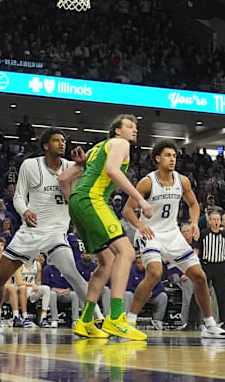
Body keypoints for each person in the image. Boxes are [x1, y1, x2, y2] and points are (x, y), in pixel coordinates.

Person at [0, 128, 105, 334]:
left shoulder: (72, 167)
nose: (62, 143)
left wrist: (84, 165)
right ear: (46, 146)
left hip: (56, 233)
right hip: (31, 232)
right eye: (56, 140)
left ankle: (98, 319)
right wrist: (24, 211)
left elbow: (88, 186)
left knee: (73, 274)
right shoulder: (30, 165)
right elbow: (19, 196)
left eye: (64, 140)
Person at [121, 141, 225, 338]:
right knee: (155, 272)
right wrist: (140, 226)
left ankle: (209, 325)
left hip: (172, 234)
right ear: (157, 158)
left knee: (200, 276)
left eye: (174, 156)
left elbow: (194, 204)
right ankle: (129, 321)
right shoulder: (147, 182)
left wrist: (195, 223)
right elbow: (128, 209)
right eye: (167, 155)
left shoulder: (183, 181)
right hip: (150, 233)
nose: (172, 159)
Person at [59, 114, 151, 340]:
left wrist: (75, 202)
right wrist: (140, 199)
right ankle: (116, 319)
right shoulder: (120, 144)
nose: (134, 130)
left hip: (79, 202)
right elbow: (112, 170)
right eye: (129, 126)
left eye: (136, 127)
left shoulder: (96, 149)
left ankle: (86, 321)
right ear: (117, 131)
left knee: (108, 262)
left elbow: (63, 179)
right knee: (127, 252)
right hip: (93, 200)